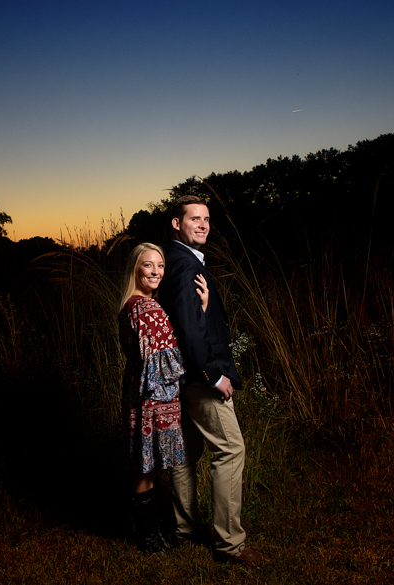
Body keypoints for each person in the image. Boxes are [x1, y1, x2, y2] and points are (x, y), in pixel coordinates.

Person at [157, 195, 264, 564]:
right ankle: (229, 544)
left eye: (206, 219)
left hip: (180, 379)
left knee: (185, 455)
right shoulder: (186, 266)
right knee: (231, 449)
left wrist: (201, 311)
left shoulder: (176, 259)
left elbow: (182, 317)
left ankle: (185, 529)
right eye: (194, 218)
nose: (202, 224)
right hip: (201, 378)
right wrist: (214, 375)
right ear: (176, 223)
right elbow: (189, 330)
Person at [118, 242, 208, 555]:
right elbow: (164, 361)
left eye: (160, 266)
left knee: (148, 465)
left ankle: (151, 533)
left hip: (141, 390)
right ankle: (149, 539)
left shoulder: (132, 304)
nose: (156, 271)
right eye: (148, 265)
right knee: (147, 468)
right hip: (152, 396)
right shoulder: (146, 308)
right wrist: (202, 312)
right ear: (135, 269)